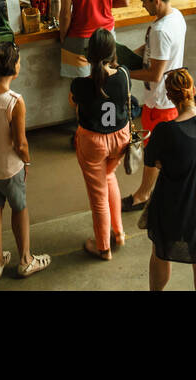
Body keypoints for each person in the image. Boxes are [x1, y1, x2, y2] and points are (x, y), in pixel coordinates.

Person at [0, 42, 50, 279]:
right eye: (19, 60)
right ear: (14, 68)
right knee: (19, 208)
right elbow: (20, 143)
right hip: (7, 168)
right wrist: (27, 162)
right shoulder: (14, 101)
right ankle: (25, 260)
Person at [144, 68, 196, 291]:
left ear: (169, 97)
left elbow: (152, 164)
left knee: (161, 252)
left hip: (173, 202)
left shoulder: (165, 131)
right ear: (193, 90)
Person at [120, 0, 188, 213]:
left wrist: (125, 73)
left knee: (154, 153)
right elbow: (151, 51)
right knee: (160, 151)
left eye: (145, 1)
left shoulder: (161, 30)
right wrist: (125, 54)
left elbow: (154, 74)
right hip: (162, 100)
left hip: (160, 102)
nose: (142, 5)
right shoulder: (175, 16)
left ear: (156, 0)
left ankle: (143, 195)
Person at [69, 28, 132, 259]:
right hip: (121, 137)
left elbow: (74, 103)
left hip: (93, 142)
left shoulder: (81, 84)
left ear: (89, 55)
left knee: (98, 197)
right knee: (108, 177)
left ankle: (103, 247)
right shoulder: (124, 74)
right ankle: (119, 233)